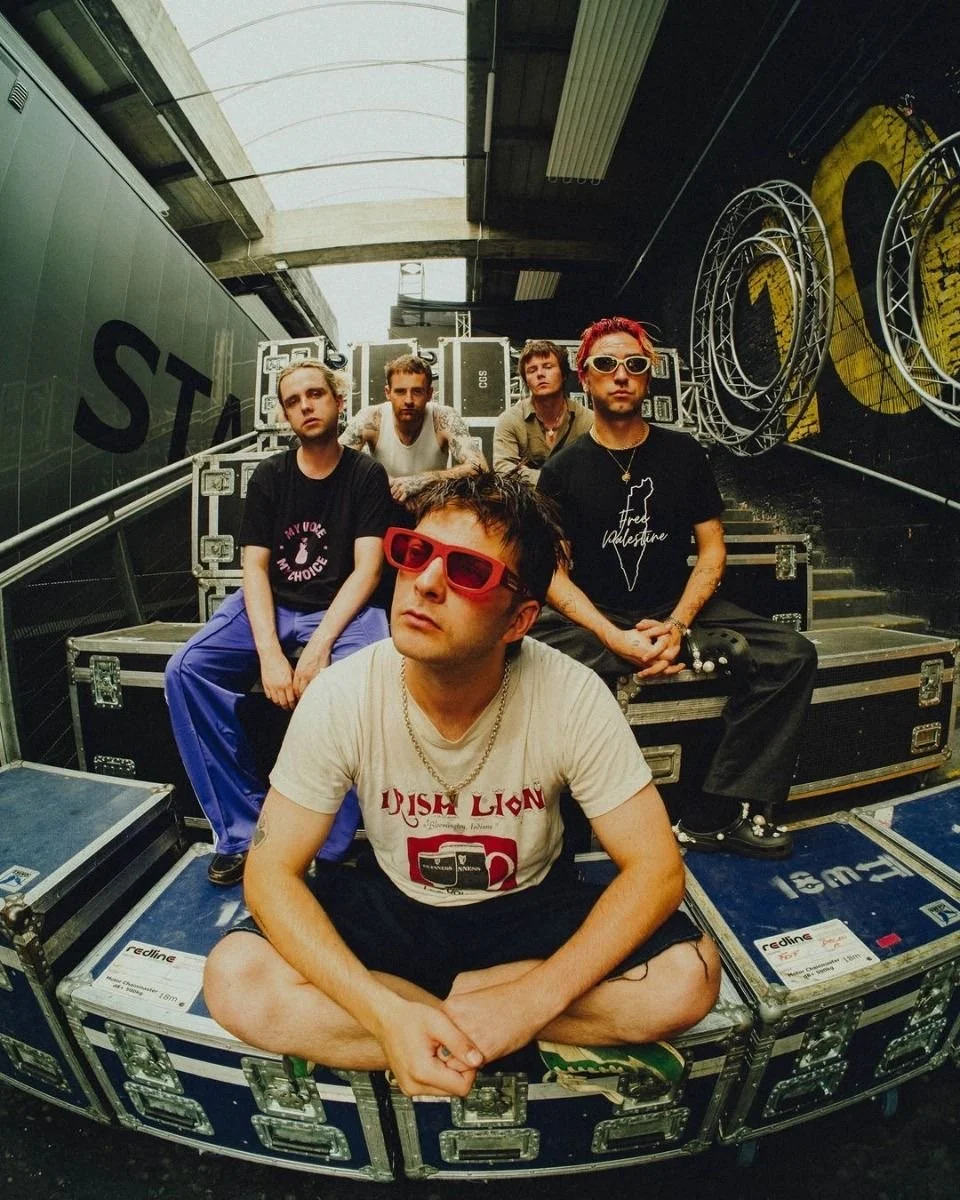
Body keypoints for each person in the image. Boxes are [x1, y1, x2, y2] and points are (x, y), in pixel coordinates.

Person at [203, 473, 720, 1099]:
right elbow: (270, 873)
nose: (425, 582)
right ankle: (456, 1036)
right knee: (235, 980)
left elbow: (657, 871)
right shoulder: (342, 692)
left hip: (525, 911)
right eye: (414, 553)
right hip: (398, 907)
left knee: (687, 978)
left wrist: (530, 999)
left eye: (469, 572)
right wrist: (383, 1013)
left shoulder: (573, 694)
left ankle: (413, 1041)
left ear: (519, 619)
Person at [531, 317, 818, 859]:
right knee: (533, 655)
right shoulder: (563, 469)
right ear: (585, 379)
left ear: (650, 375)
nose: (622, 375)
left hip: (673, 609)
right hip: (597, 618)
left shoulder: (684, 453)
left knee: (794, 654)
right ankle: (686, 655)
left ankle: (715, 812)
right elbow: (550, 574)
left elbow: (712, 549)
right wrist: (614, 638)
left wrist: (679, 624)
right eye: (606, 365)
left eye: (635, 365)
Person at [165, 359, 392, 885]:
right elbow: (255, 567)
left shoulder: (365, 473)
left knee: (369, 683)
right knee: (186, 670)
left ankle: (323, 845)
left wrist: (317, 652)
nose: (306, 405)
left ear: (338, 402)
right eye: (293, 400)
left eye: (315, 394)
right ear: (286, 415)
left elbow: (368, 570)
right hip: (270, 602)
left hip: (341, 606)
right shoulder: (270, 475)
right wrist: (270, 651)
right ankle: (244, 832)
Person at [339, 353, 486, 508]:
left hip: (429, 509)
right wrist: (380, 479)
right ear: (388, 393)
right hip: (383, 506)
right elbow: (335, 461)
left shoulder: (443, 418)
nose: (408, 400)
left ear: (429, 394)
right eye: (400, 391)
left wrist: (420, 481)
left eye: (417, 391)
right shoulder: (371, 418)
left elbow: (480, 467)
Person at [493, 339, 593, 483]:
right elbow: (504, 470)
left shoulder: (589, 421)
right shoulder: (510, 419)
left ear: (564, 374)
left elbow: (594, 471)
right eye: (532, 370)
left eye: (548, 367)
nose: (540, 374)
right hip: (527, 503)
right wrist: (554, 481)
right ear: (526, 381)